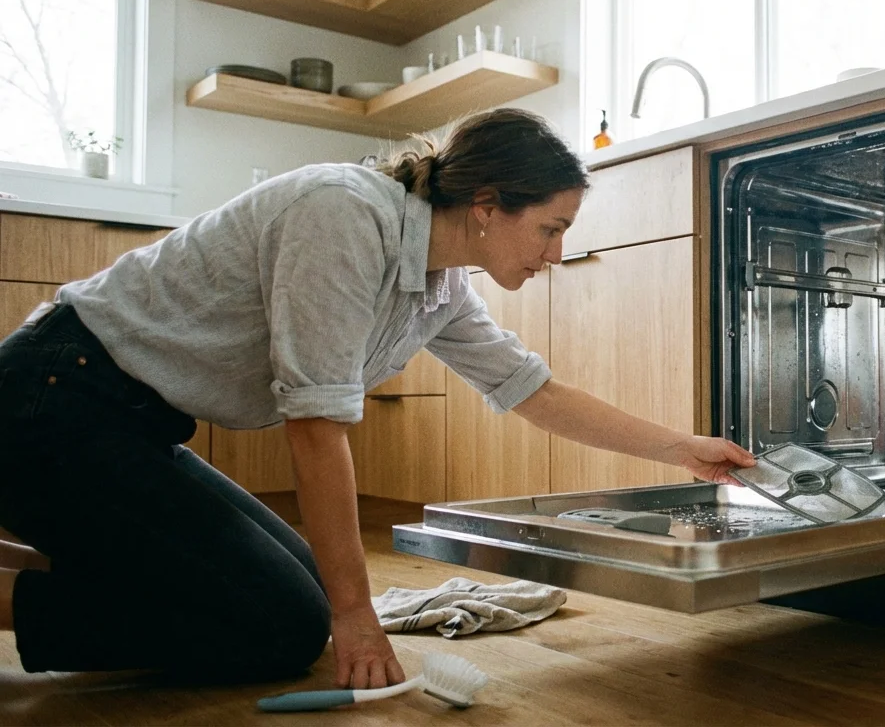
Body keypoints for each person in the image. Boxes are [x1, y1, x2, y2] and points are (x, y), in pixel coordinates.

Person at [0, 108, 754, 688]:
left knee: (301, 594)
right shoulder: (344, 214)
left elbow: (534, 390)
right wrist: (358, 621)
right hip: (49, 403)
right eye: (552, 229)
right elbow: (315, 428)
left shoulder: (440, 285)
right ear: (487, 205)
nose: (557, 253)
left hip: (121, 424)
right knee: (282, 631)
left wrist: (681, 448)